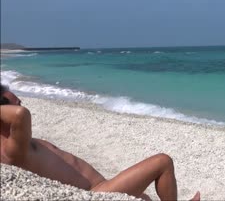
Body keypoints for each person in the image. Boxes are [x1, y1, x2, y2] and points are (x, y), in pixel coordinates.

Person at [0, 85, 200, 201]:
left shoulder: (19, 142)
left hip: (101, 187)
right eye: (8, 94)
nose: (18, 97)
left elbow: (19, 114)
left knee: (144, 198)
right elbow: (20, 114)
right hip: (93, 195)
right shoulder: (12, 148)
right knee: (162, 162)